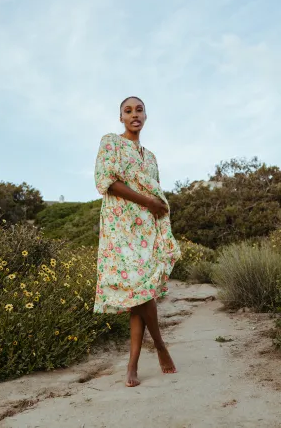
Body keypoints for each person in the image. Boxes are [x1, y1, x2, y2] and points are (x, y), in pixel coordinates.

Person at [94, 96, 181, 387]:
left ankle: (133, 363)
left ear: (145, 116)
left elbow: (157, 192)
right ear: (120, 117)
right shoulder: (111, 142)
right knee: (140, 293)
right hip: (121, 230)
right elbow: (106, 182)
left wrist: (157, 214)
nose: (134, 115)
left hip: (147, 229)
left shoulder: (151, 157)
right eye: (128, 111)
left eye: (139, 110)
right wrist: (148, 202)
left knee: (141, 296)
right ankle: (159, 346)